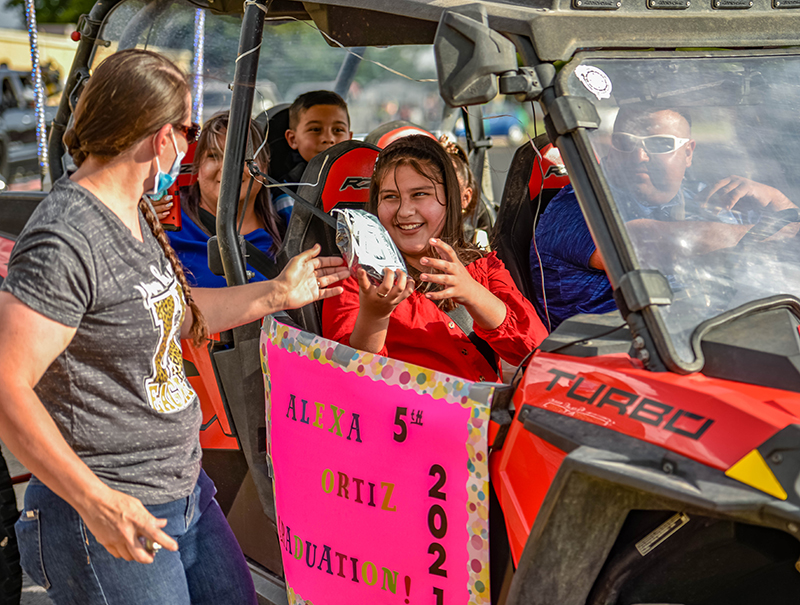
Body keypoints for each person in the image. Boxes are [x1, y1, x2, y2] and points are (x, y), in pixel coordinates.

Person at [0, 49, 347, 605]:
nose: (188, 148)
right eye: (187, 130)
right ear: (159, 138)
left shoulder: (131, 211)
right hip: (110, 513)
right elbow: (6, 387)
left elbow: (173, 313)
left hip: (184, 492)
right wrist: (97, 502)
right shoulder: (65, 238)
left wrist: (278, 292)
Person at [530, 106, 798, 330]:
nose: (639, 156)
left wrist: (779, 202)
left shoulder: (703, 197)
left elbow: (791, 246)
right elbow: (640, 242)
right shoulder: (577, 204)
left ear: (689, 153)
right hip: (610, 360)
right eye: (625, 142)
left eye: (659, 144)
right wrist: (765, 231)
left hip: (709, 342)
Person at [322, 135, 548, 383]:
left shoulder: (483, 267)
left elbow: (536, 353)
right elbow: (347, 379)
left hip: (486, 417)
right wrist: (374, 317)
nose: (405, 211)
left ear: (450, 200)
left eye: (420, 194)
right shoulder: (356, 279)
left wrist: (472, 293)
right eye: (390, 197)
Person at [156, 112, 284, 288]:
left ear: (264, 167)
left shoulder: (288, 226)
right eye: (213, 156)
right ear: (198, 168)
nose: (227, 168)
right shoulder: (164, 220)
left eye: (241, 156)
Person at [271, 90, 353, 219]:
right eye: (315, 129)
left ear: (350, 138)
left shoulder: (364, 184)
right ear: (292, 139)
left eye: (338, 130)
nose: (328, 138)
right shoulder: (287, 194)